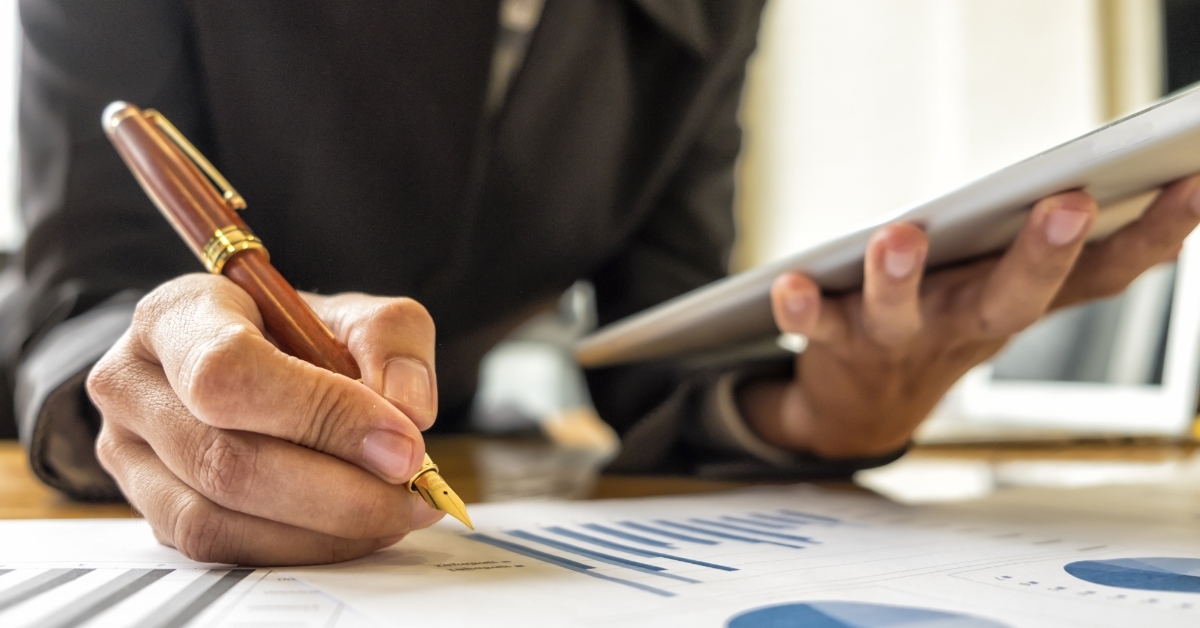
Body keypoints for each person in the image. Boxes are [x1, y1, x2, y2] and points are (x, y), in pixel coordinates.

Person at [3, 0, 1198, 567]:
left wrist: (834, 408)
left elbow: (657, 333)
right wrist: (146, 374)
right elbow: (75, 294)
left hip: (422, 445)